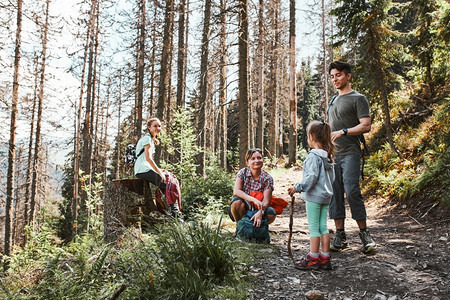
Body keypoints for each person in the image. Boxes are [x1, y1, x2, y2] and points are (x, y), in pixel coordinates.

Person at [327, 61, 376, 253]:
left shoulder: (358, 98)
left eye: (338, 75)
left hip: (351, 154)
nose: (335, 79)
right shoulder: (332, 100)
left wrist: (343, 132)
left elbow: (366, 125)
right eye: (332, 76)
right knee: (335, 194)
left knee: (352, 190)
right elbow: (328, 128)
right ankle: (340, 235)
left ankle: (364, 235)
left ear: (348, 76)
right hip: (333, 156)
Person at [288, 121, 335, 270]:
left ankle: (313, 258)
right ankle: (325, 257)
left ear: (312, 136)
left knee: (314, 228)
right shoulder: (328, 156)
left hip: (314, 197)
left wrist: (297, 187)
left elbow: (311, 177)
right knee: (323, 227)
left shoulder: (313, 156)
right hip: (326, 196)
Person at [134, 117, 181, 217]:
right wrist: (159, 172)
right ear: (149, 127)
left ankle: (169, 211)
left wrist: (160, 170)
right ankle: (176, 214)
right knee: (167, 184)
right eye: (155, 126)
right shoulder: (147, 139)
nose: (158, 128)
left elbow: (147, 160)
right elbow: (148, 158)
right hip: (142, 170)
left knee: (169, 180)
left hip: (144, 169)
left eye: (159, 126)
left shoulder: (151, 139)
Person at [229, 148, 277, 229]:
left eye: (259, 158)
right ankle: (239, 227)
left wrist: (260, 212)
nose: (256, 161)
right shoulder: (242, 172)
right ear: (247, 163)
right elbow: (236, 191)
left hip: (259, 207)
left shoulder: (268, 178)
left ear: (263, 160)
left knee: (271, 214)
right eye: (253, 159)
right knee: (236, 203)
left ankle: (257, 228)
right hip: (243, 206)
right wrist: (253, 199)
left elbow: (266, 201)